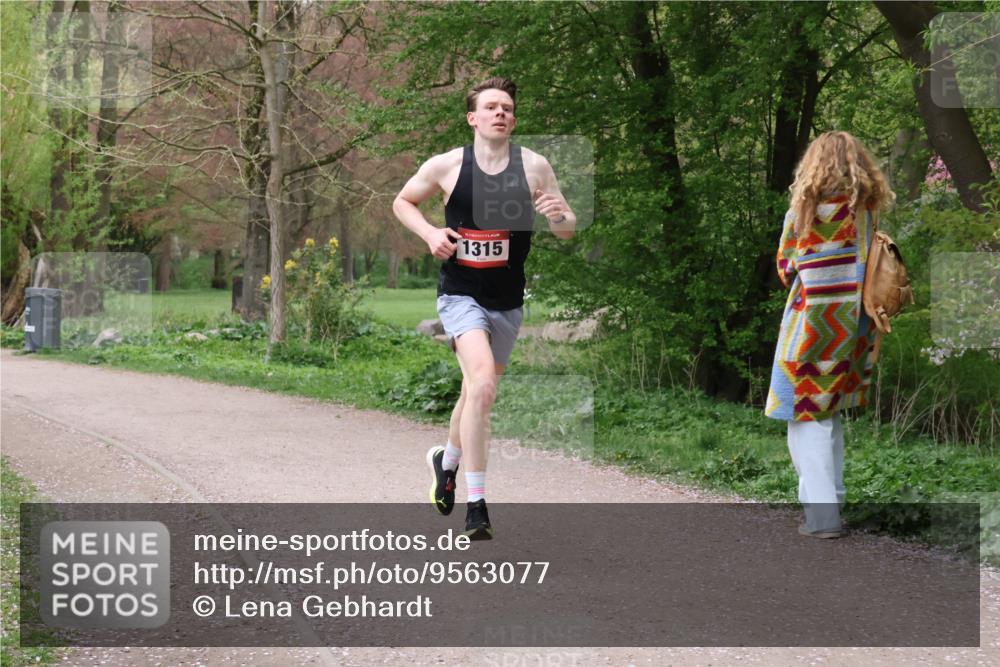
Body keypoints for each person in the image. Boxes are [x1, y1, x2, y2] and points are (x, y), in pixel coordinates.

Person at [393, 78, 576, 540]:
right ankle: (477, 505)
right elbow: (403, 201)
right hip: (460, 294)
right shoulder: (449, 165)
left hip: (508, 300)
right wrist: (431, 233)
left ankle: (446, 462)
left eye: (508, 108)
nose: (501, 113)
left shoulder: (534, 166)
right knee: (484, 388)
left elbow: (567, 228)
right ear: (473, 117)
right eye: (491, 107)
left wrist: (559, 216)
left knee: (476, 393)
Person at [764, 131, 895, 539]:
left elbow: (787, 269)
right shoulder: (866, 213)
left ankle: (823, 520)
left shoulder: (802, 214)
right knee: (829, 415)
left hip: (811, 330)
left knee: (806, 421)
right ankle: (832, 506)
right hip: (854, 328)